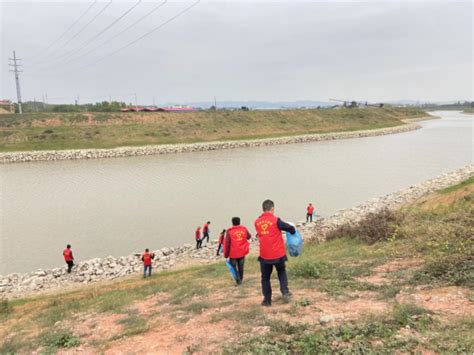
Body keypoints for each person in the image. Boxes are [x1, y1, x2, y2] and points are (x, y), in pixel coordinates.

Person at [254, 199, 296, 306]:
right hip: (278, 254)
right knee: (281, 272)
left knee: (265, 278)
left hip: (265, 255)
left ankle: (267, 300)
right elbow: (289, 228)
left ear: (263, 209)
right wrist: (293, 231)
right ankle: (285, 292)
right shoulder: (276, 220)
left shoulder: (256, 222)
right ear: (272, 208)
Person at [224, 217, 251, 285]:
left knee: (233, 267)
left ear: (232, 223)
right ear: (239, 222)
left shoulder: (229, 231)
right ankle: (241, 279)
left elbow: (227, 244)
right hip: (242, 252)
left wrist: (226, 254)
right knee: (241, 267)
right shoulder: (244, 229)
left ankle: (238, 280)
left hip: (233, 253)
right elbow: (249, 236)